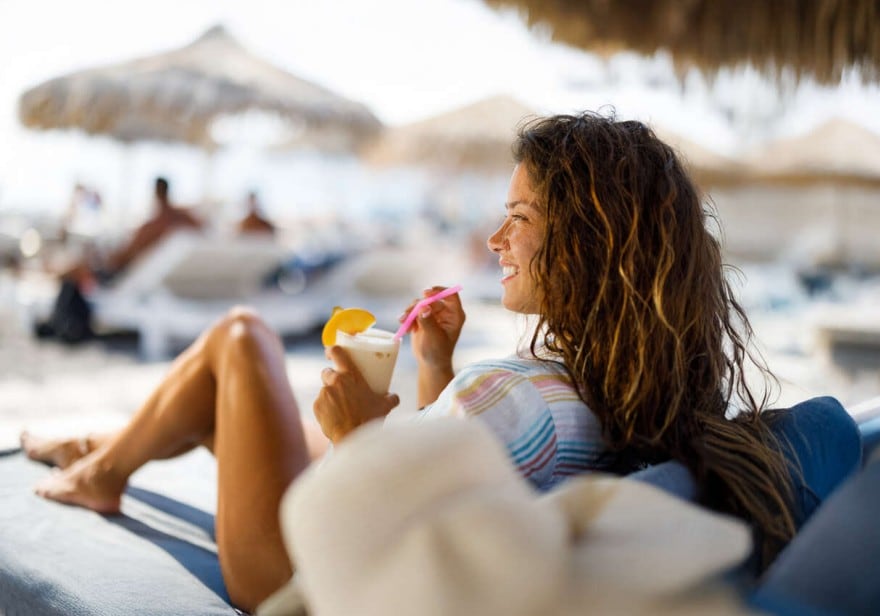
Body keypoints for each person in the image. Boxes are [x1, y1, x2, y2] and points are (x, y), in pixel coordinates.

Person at [22, 111, 802, 612]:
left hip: (304, 570)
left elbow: (380, 527)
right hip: (387, 546)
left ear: (589, 246)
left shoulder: (513, 394)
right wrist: (436, 364)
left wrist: (360, 439)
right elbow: (457, 479)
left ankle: (104, 470)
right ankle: (107, 449)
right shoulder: (624, 394)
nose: (496, 240)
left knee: (242, 337)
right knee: (257, 405)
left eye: (519, 218)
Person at [35, 176, 203, 342]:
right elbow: (200, 225)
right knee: (73, 274)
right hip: (128, 272)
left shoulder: (154, 224)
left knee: (72, 272)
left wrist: (103, 259)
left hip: (120, 274)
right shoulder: (176, 217)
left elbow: (121, 258)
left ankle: (60, 321)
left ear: (156, 193)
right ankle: (61, 321)